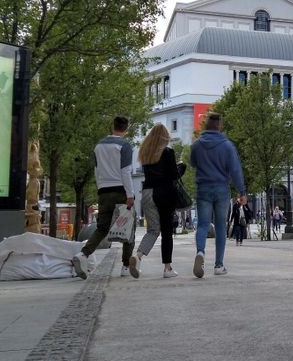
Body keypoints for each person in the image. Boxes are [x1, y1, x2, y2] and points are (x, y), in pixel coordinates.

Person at [72, 116, 136, 280]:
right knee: (128, 228)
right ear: (126, 129)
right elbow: (125, 172)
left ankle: (83, 255)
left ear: (112, 126)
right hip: (121, 191)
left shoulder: (98, 146)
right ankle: (126, 266)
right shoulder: (125, 145)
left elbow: (96, 170)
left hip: (104, 191)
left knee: (102, 228)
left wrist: (100, 188)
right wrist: (130, 195)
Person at [189, 112, 247, 278]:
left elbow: (193, 162)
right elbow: (235, 170)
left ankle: (200, 252)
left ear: (206, 125)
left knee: (202, 224)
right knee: (221, 226)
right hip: (221, 188)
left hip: (203, 188)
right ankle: (218, 265)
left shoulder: (197, 144)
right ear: (219, 126)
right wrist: (242, 191)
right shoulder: (227, 145)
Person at [128, 123, 178, 279]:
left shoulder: (145, 153)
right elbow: (174, 176)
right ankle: (167, 268)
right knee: (167, 232)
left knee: (153, 230)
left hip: (148, 193)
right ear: (165, 137)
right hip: (164, 193)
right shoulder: (168, 153)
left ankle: (138, 256)